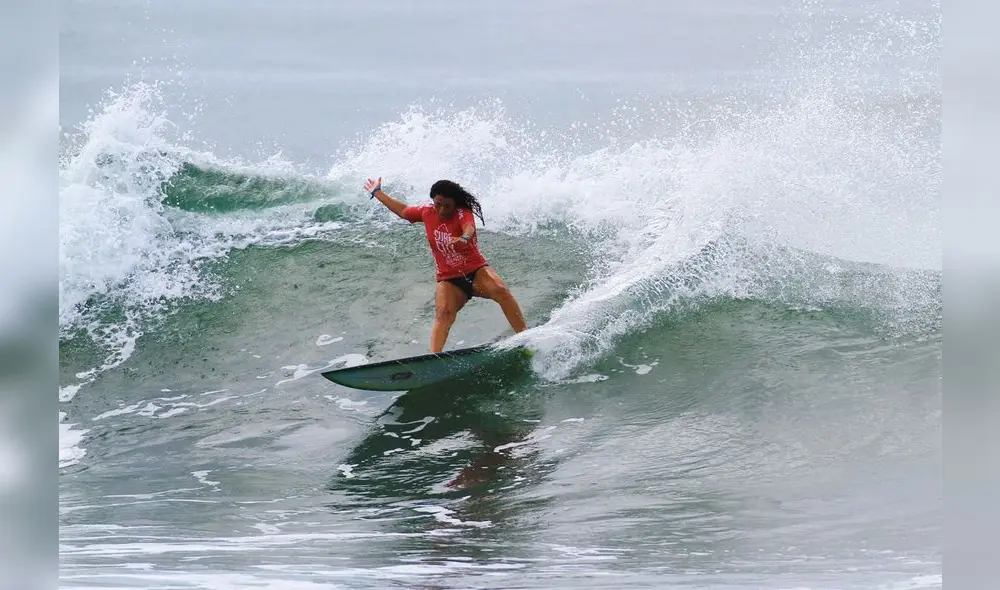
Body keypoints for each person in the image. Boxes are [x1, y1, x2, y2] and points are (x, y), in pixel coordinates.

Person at [364, 177, 528, 352]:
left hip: (476, 272)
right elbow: (404, 211)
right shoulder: (427, 212)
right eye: (438, 204)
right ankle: (433, 360)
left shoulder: (462, 212)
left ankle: (526, 339)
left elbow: (469, 228)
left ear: (455, 204)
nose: (441, 209)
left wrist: (464, 239)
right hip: (449, 279)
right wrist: (377, 192)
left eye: (447, 206)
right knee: (443, 314)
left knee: (500, 290)